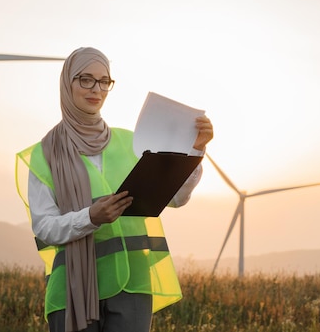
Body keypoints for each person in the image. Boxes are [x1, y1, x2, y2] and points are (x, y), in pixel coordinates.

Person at [16, 47, 213, 332]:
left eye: (104, 81)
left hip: (132, 286)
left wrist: (195, 150)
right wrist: (90, 217)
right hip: (73, 292)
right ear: (67, 82)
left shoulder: (131, 142)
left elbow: (176, 198)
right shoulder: (45, 154)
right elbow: (45, 228)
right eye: (86, 79)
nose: (97, 89)